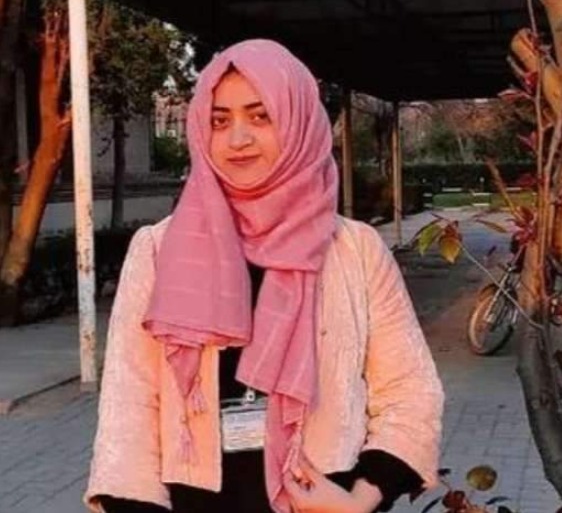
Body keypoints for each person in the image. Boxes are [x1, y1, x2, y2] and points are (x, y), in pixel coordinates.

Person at [85, 39, 444, 513]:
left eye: (260, 116)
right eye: (220, 121)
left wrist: (360, 499)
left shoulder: (353, 250)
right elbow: (129, 407)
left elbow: (408, 389)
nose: (238, 139)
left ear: (298, 123)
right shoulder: (158, 249)